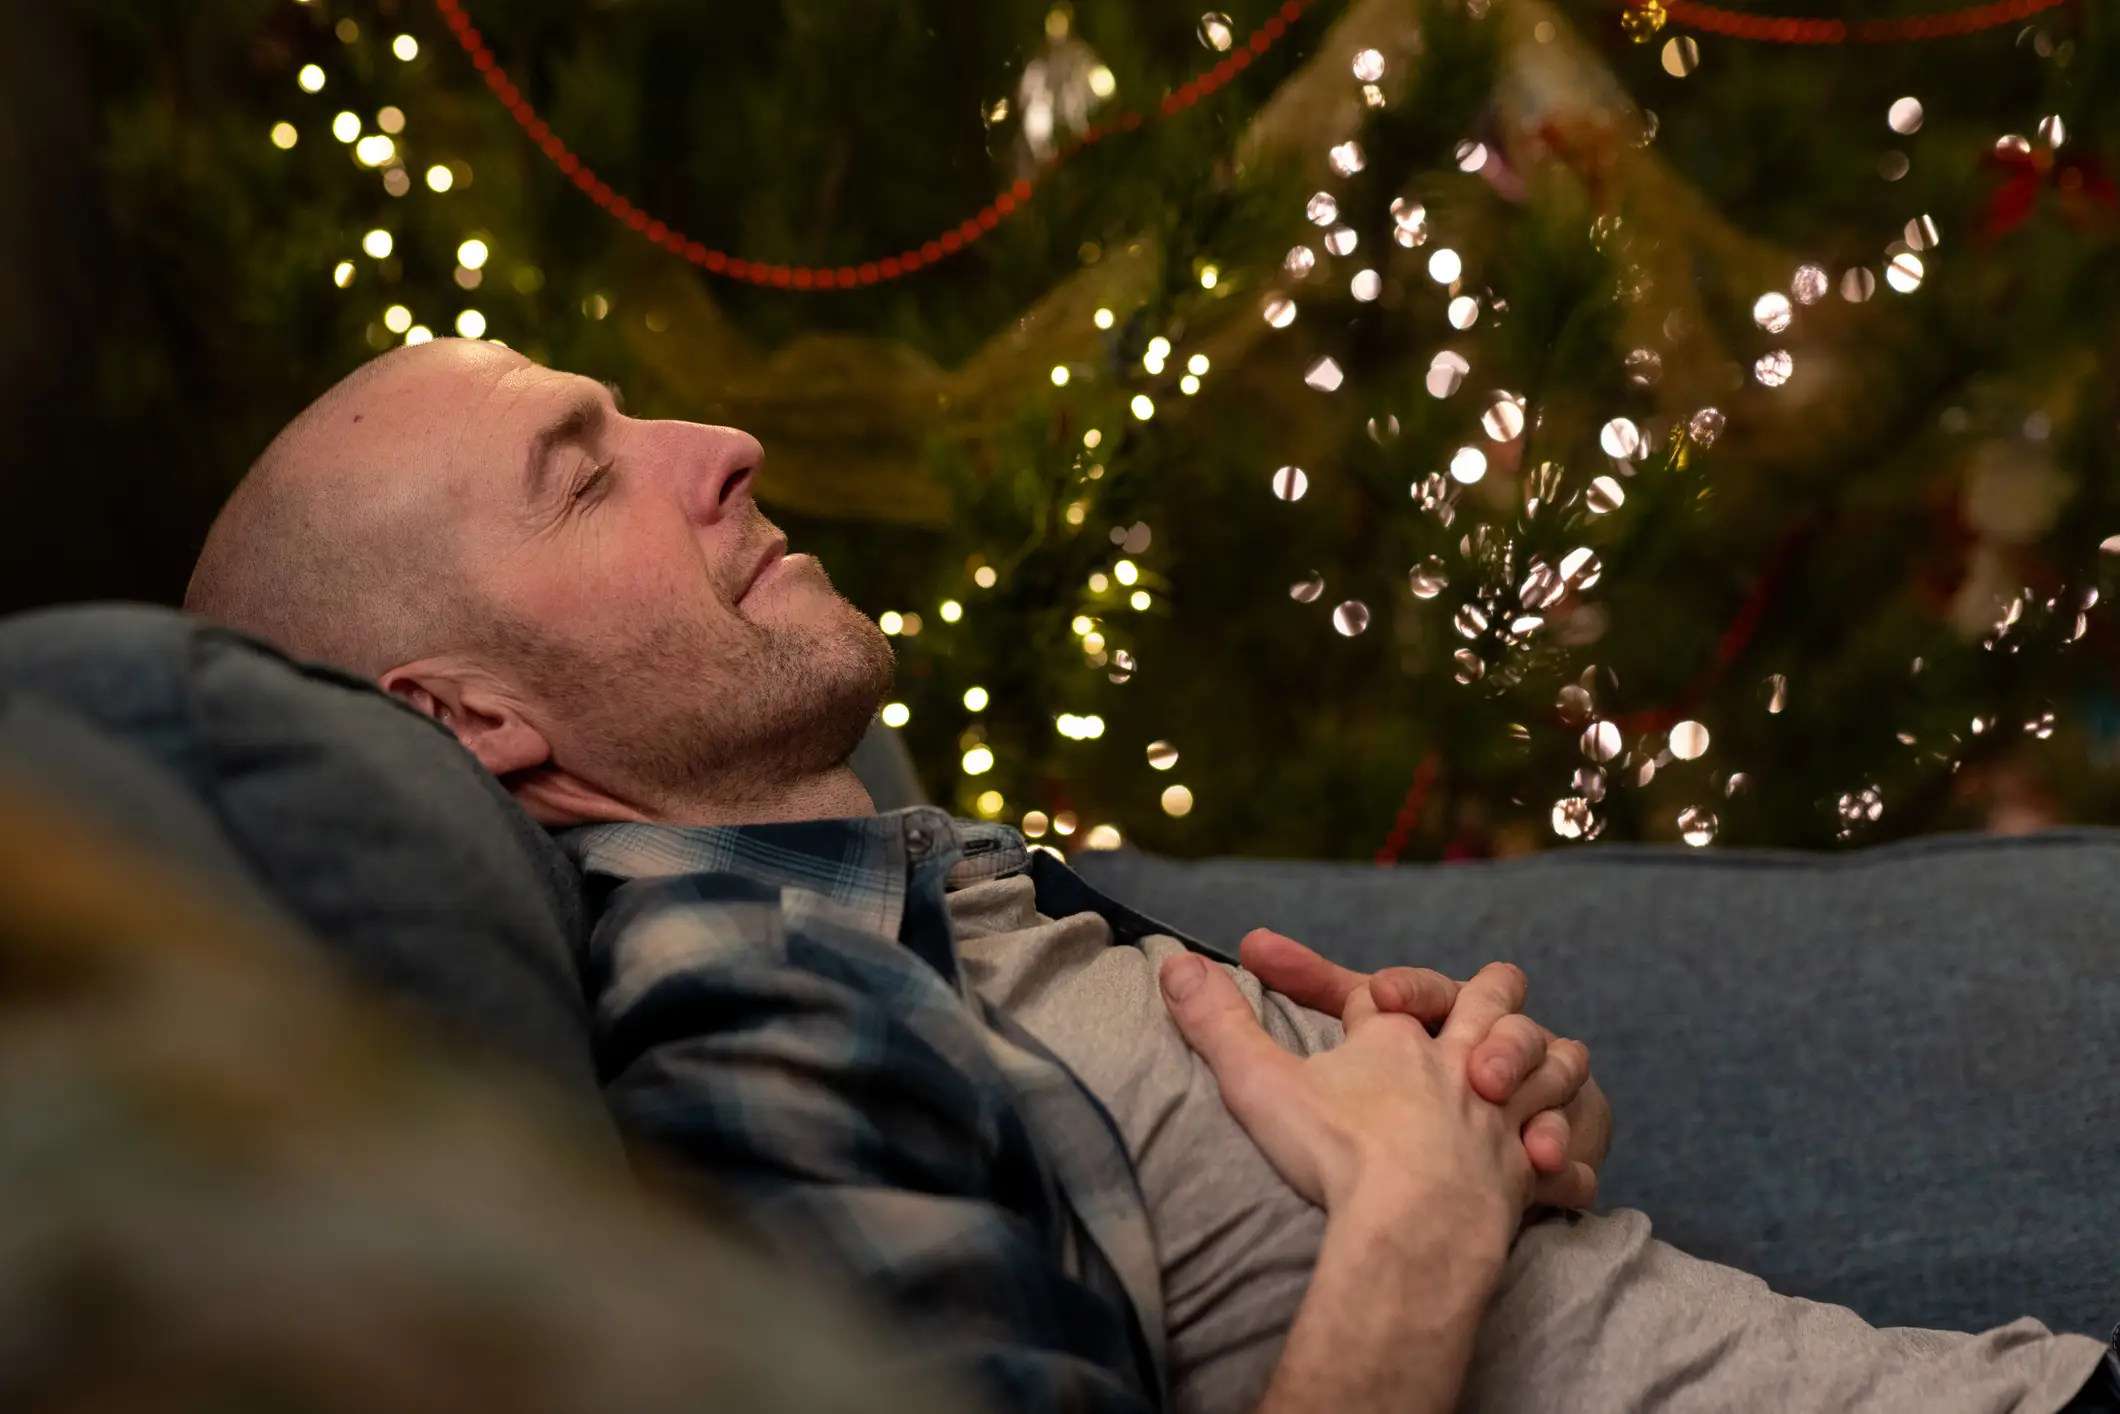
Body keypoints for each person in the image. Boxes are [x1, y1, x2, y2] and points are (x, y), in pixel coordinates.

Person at [185, 340, 2118, 1414]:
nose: (727, 443)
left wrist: (1483, 1122)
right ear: (475, 718)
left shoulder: (894, 896)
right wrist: (1413, 1230)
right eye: (587, 473)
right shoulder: (747, 995)